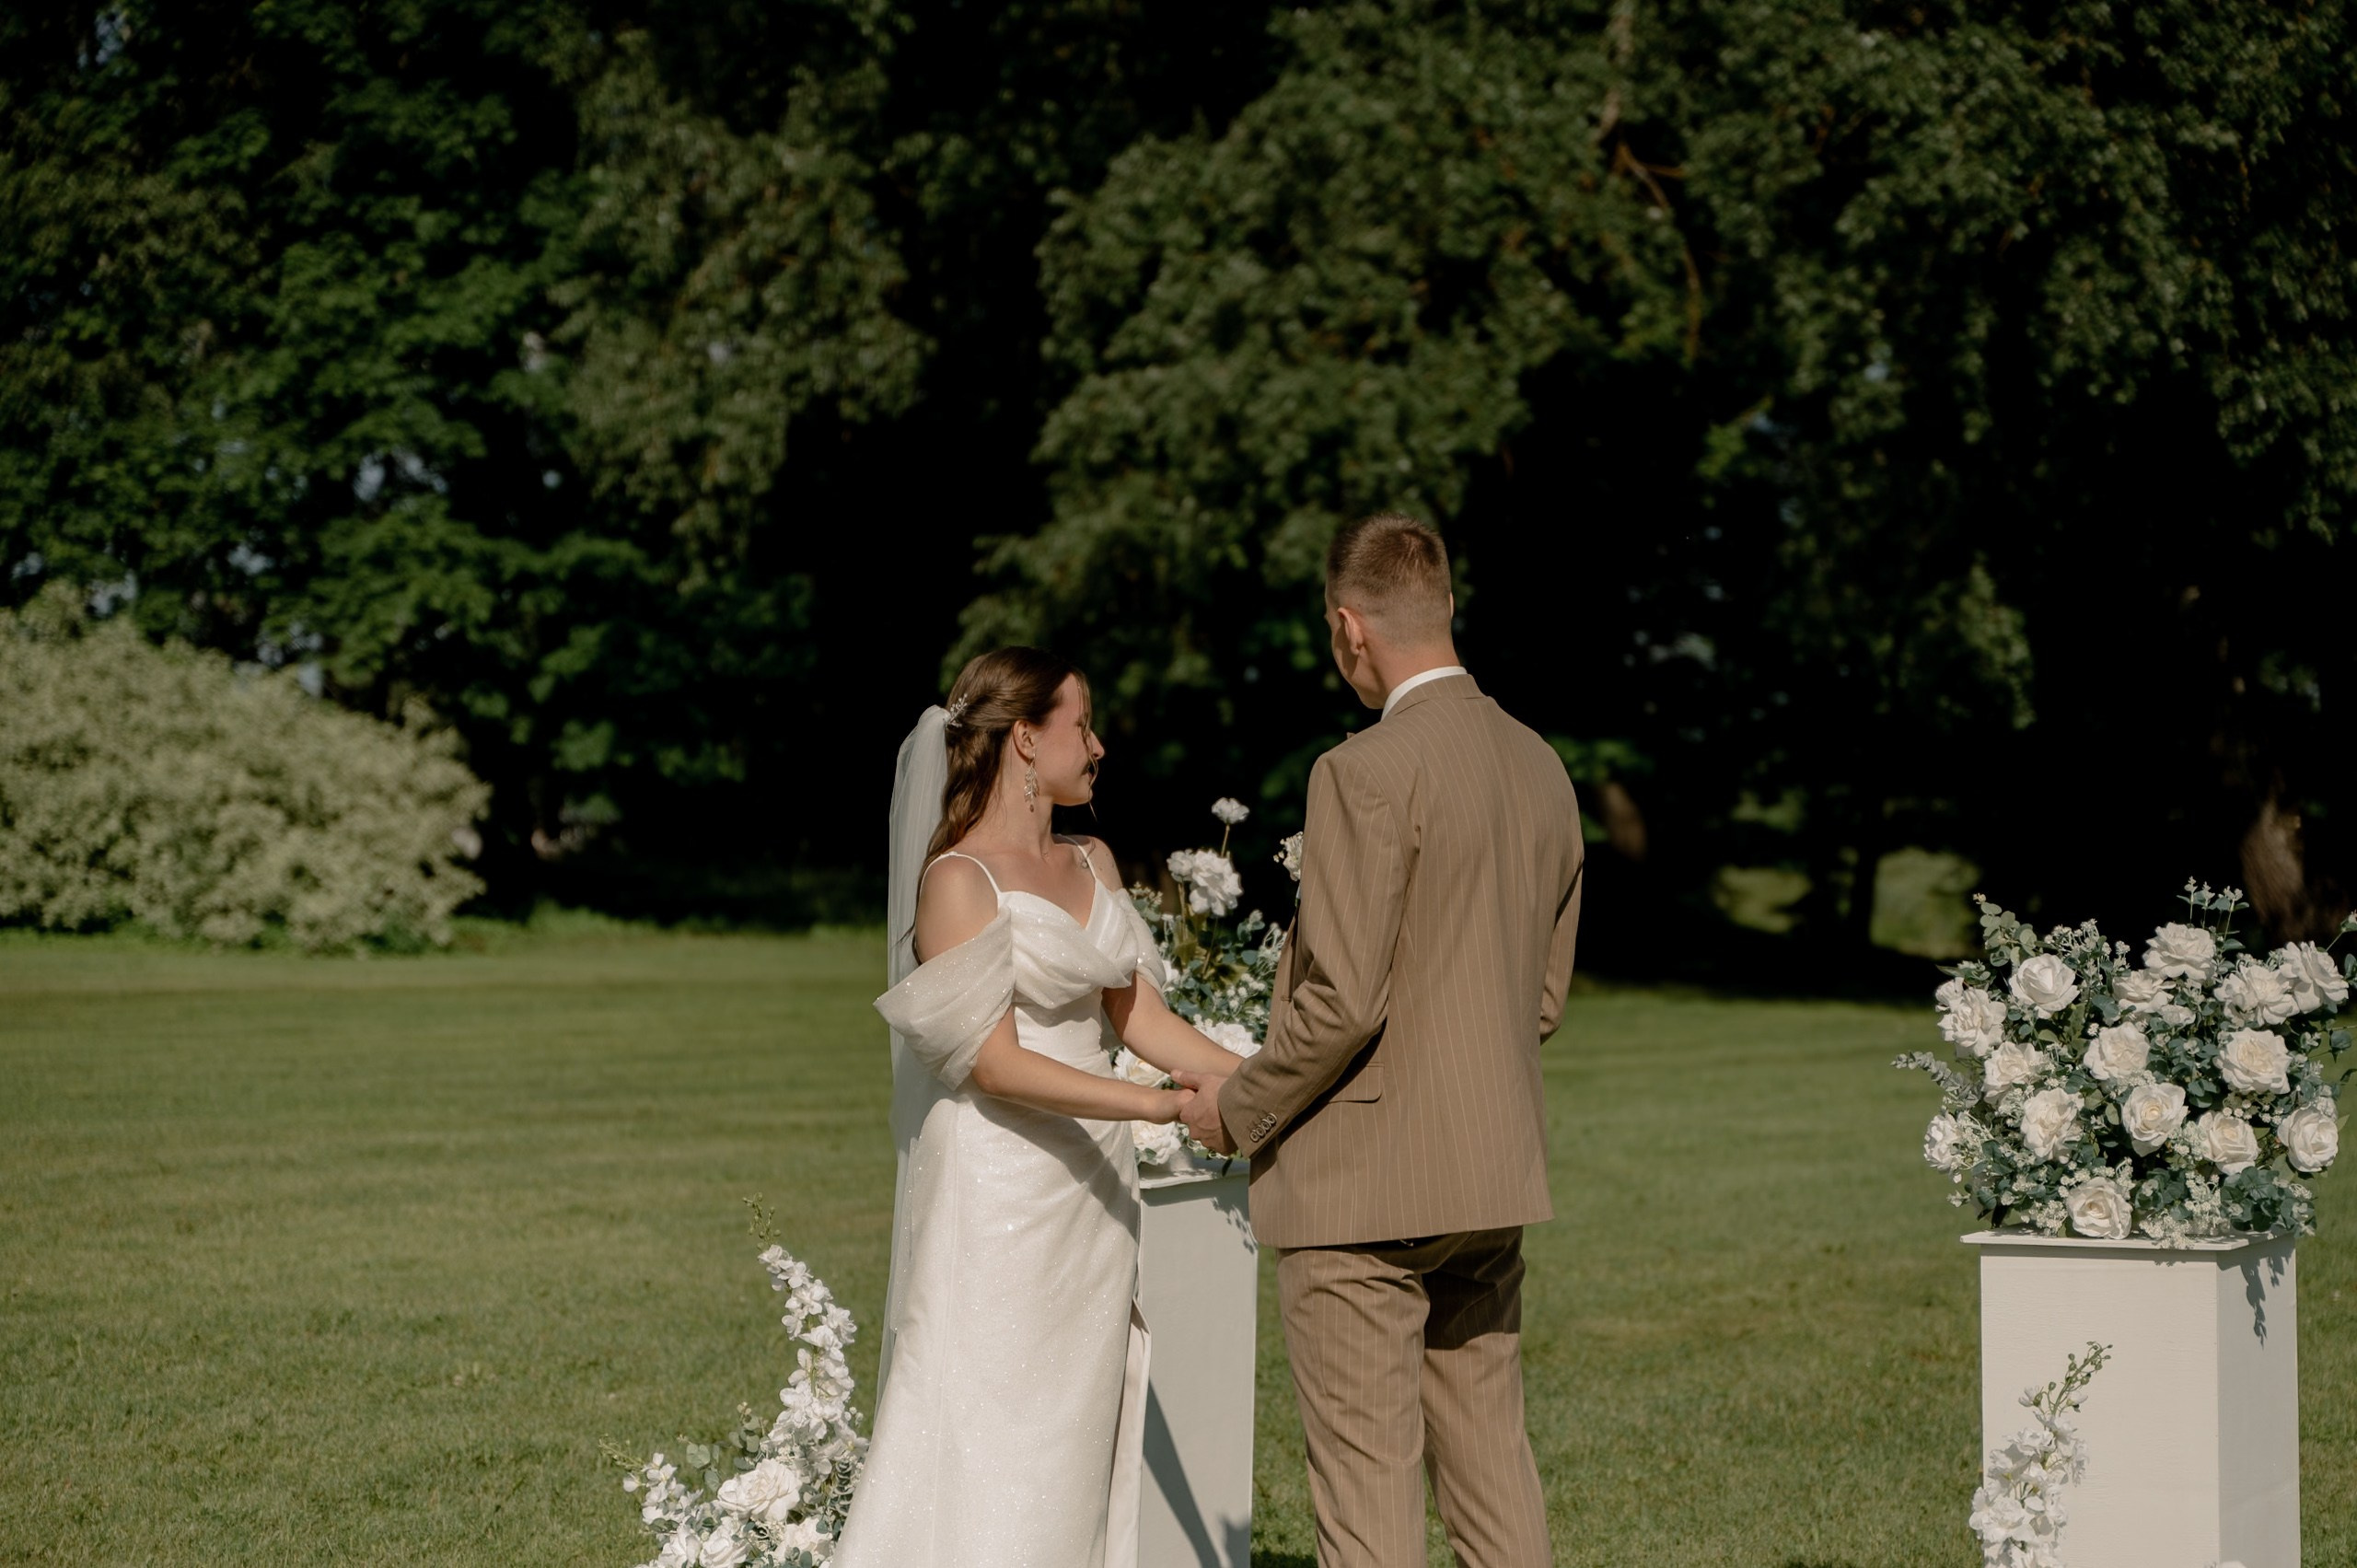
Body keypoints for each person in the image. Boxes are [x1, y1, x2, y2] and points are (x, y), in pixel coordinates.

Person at [1176, 512, 1585, 1568]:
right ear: (1446, 605)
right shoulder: (1541, 765)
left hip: (1361, 1190)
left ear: (1347, 627)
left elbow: (1344, 999)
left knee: (1367, 1505)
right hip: (1489, 1172)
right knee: (1493, 1473)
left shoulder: (1360, 769)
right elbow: (1540, 999)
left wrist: (1235, 1106)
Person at [836, 646, 1248, 1568]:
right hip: (1000, 1190)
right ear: (1025, 738)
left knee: (1073, 1430)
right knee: (991, 1424)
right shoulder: (957, 880)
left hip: (1093, 1191)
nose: (1098, 746)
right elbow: (994, 1065)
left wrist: (1268, 1079)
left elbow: (1141, 1018)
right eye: (1082, 725)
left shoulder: (1091, 859)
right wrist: (1152, 1106)